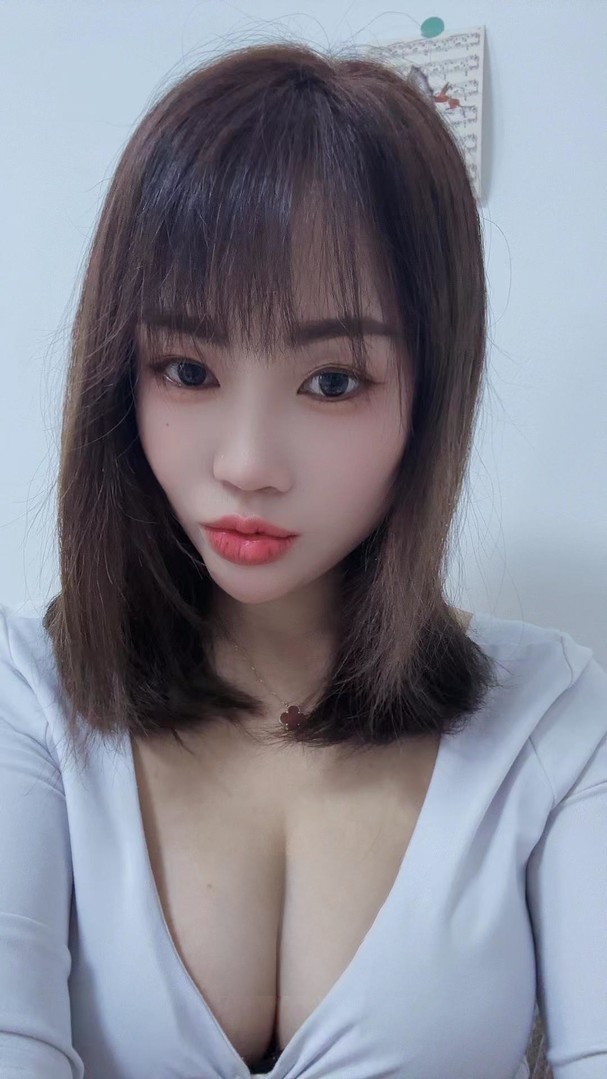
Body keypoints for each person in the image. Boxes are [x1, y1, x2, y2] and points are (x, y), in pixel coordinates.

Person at [0, 40, 605, 1079]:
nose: (245, 463)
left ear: (431, 395)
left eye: (331, 382)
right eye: (187, 368)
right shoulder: (34, 700)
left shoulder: (549, 719)